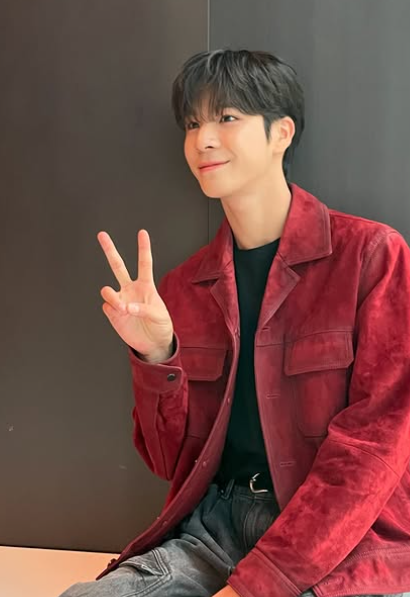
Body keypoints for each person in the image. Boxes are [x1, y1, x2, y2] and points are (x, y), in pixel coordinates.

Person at [60, 49, 410, 597]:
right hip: (215, 529)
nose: (202, 139)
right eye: (192, 123)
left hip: (339, 539)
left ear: (281, 133)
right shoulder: (182, 288)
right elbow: (168, 462)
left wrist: (261, 583)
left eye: (226, 117)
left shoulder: (370, 256)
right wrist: (156, 356)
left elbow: (375, 445)